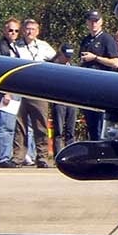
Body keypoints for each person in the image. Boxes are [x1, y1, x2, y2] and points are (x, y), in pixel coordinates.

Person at [15, 18, 55, 167]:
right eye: (27, 28)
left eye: (33, 29)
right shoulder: (16, 47)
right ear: (23, 30)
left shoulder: (44, 46)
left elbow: (56, 61)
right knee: (20, 125)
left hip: (38, 90)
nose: (30, 31)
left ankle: (42, 157)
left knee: (40, 125)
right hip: (20, 89)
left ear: (37, 31)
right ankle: (19, 156)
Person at [78, 10, 118, 140]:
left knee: (102, 123)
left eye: (96, 21)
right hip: (88, 87)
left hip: (103, 86)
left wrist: (95, 58)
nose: (93, 24)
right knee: (91, 124)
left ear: (101, 22)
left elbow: (115, 63)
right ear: (87, 23)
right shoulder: (86, 40)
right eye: (91, 21)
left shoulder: (107, 39)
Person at [51, 43, 79, 154]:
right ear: (60, 53)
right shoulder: (53, 67)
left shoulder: (74, 66)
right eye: (66, 55)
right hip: (59, 101)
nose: (68, 58)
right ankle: (58, 154)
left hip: (72, 101)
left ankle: (70, 154)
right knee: (59, 131)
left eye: (70, 56)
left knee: (70, 130)